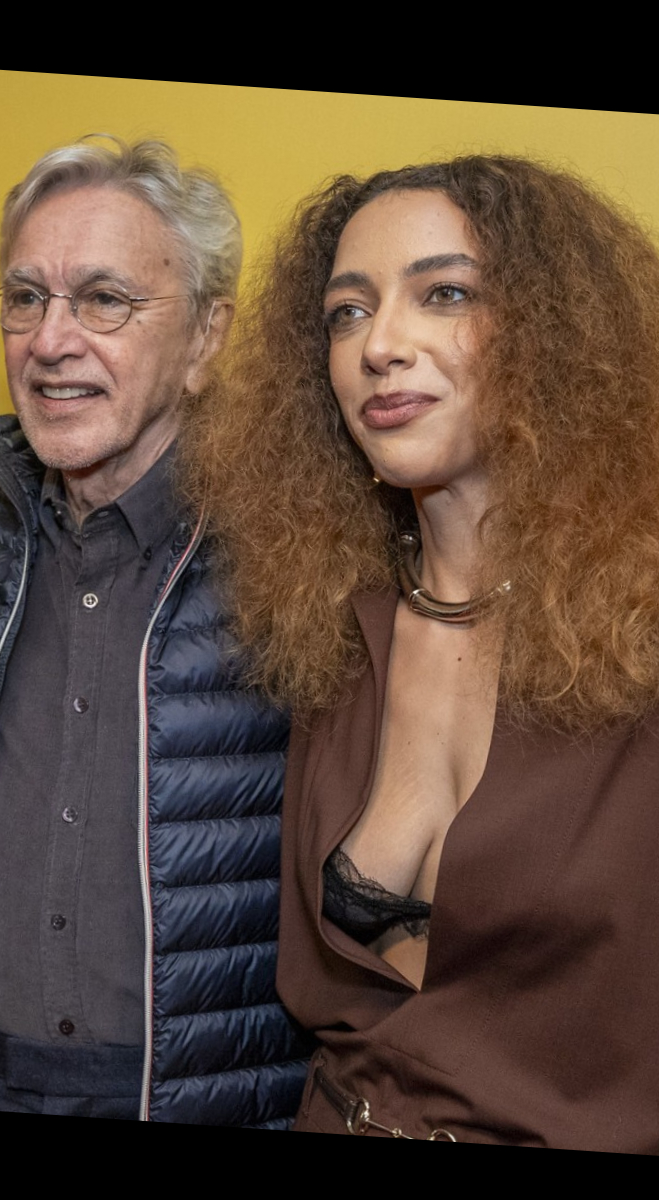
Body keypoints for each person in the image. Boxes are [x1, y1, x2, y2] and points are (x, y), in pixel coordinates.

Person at [187, 155, 659, 1148]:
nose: (380, 346)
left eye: (444, 294)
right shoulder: (329, 630)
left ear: (555, 329)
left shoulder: (642, 632)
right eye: (347, 313)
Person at [0, 136, 311, 1121]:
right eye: (26, 298)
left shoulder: (296, 562)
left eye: (105, 300)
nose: (50, 340)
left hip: (177, 1095)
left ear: (204, 338)